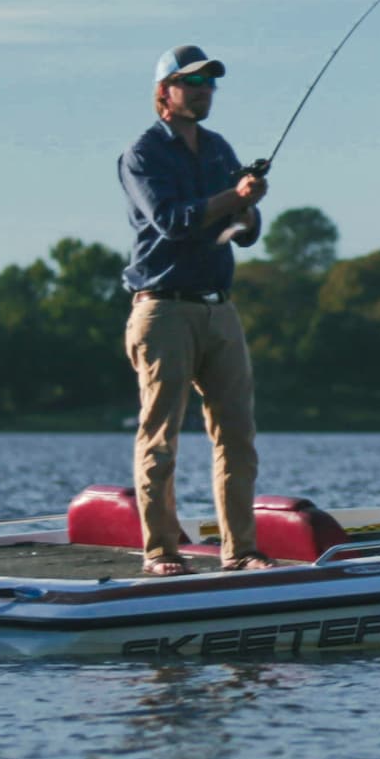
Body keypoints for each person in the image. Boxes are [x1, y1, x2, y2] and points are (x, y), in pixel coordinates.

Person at [121, 44, 273, 577]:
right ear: (165, 93)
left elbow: (239, 233)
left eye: (210, 81)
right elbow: (173, 221)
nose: (204, 89)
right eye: (192, 81)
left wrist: (249, 208)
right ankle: (161, 551)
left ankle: (243, 551)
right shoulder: (142, 154)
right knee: (160, 438)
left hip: (219, 310)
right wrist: (234, 198)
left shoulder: (218, 148)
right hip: (163, 310)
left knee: (238, 437)